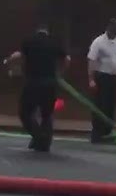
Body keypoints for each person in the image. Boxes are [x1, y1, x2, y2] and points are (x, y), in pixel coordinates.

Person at [5, 24, 69, 152]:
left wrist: (9, 64)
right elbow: (67, 59)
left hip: (33, 82)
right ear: (47, 31)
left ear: (37, 30)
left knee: (25, 113)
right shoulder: (54, 42)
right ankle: (45, 142)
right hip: (50, 83)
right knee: (47, 114)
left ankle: (38, 136)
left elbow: (18, 56)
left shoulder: (29, 41)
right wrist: (61, 74)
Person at [86, 18, 116, 142]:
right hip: (102, 76)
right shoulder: (98, 42)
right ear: (108, 28)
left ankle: (107, 131)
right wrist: (91, 79)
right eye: (113, 29)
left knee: (110, 105)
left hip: (115, 77)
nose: (115, 31)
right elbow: (92, 60)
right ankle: (97, 132)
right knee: (100, 105)